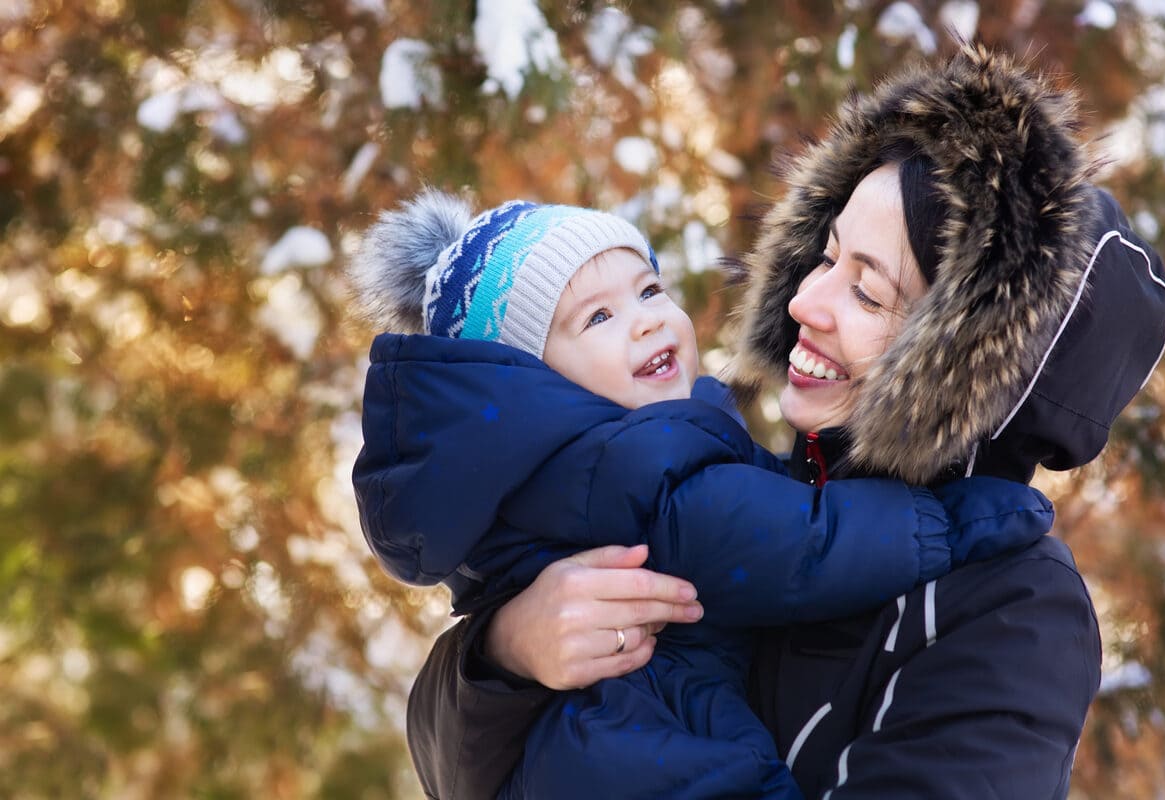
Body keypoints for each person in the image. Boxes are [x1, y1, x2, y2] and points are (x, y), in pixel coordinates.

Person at [401, 44, 1165, 799]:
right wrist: (506, 652)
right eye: (827, 256)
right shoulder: (764, 488)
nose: (806, 300)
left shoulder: (1014, 608)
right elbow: (464, 769)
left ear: (962, 366)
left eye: (868, 294)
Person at [349, 181, 1052, 798]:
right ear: (531, 382)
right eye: (598, 318)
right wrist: (951, 524)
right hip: (635, 732)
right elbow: (790, 540)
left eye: (649, 291)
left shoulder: (1019, 602)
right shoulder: (623, 462)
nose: (649, 318)